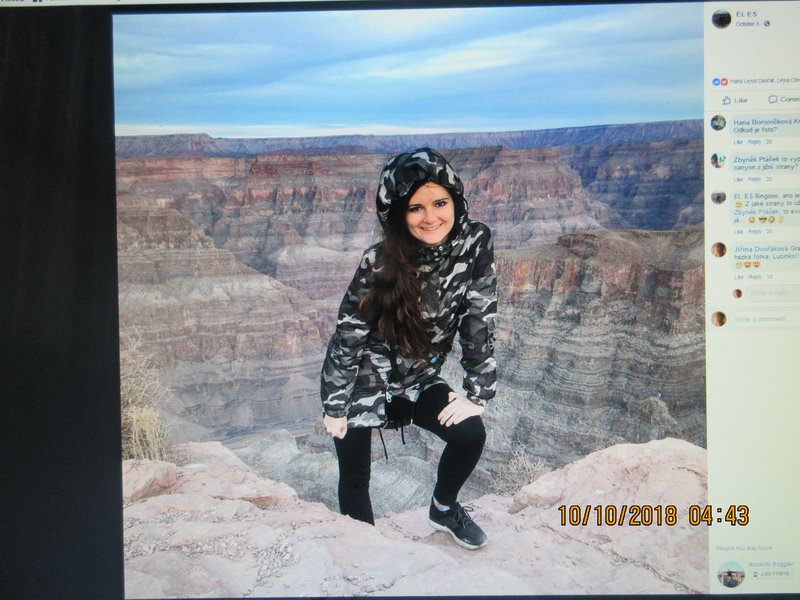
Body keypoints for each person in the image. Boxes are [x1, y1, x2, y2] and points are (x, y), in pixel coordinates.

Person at [320, 148, 496, 550]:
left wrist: (478, 392)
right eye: (416, 207)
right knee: (355, 478)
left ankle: (443, 509)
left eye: (440, 203)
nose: (430, 217)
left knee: (470, 435)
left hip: (417, 379)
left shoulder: (475, 243)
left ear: (455, 201)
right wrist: (335, 405)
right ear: (398, 213)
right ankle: (365, 554)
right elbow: (349, 335)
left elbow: (479, 318)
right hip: (364, 381)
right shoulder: (379, 261)